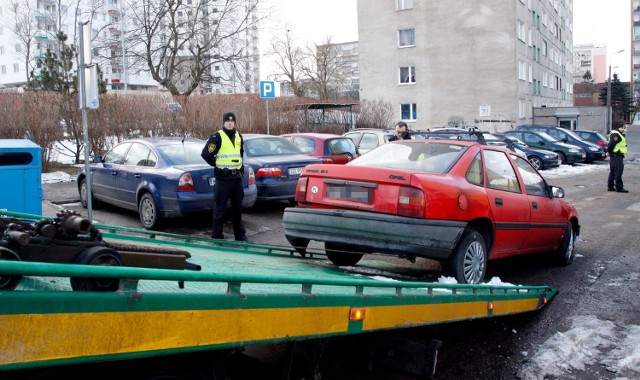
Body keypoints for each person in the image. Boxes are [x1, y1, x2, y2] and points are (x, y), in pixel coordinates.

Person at [201, 112, 248, 241]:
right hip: (223, 179)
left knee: (237, 209)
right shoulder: (217, 136)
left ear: (235, 123)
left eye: (232, 121)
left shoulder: (239, 136)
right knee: (220, 209)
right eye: (227, 121)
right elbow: (206, 154)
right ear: (223, 122)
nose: (230, 123)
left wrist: (241, 171)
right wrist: (217, 165)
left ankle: (240, 236)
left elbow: (240, 154)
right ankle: (217, 237)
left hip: (236, 179)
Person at [606, 120, 629, 193]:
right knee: (618, 171)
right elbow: (611, 144)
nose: (624, 129)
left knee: (613, 171)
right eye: (623, 127)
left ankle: (611, 186)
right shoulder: (616, 135)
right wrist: (608, 152)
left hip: (615, 155)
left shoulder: (618, 134)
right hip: (617, 155)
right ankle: (619, 187)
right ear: (619, 127)